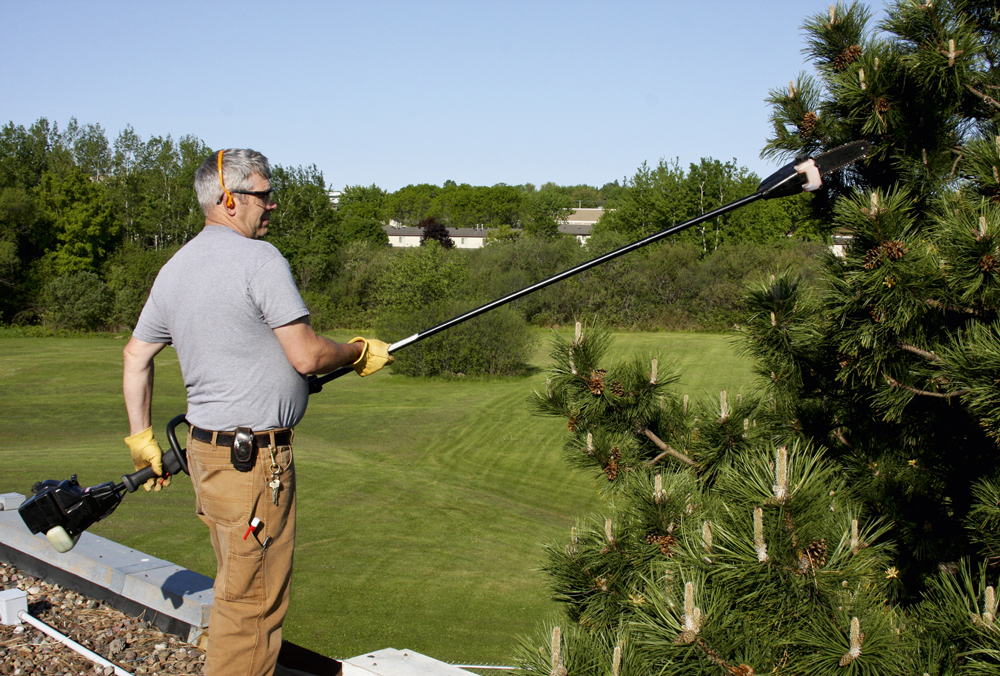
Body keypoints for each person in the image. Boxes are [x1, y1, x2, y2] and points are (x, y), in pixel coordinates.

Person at [121, 148, 392, 676]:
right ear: (229, 199)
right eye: (263, 196)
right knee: (253, 608)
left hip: (208, 459)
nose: (271, 207)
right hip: (254, 468)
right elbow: (308, 354)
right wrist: (356, 351)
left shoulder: (176, 267)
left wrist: (141, 438)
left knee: (236, 588)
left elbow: (136, 357)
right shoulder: (262, 261)